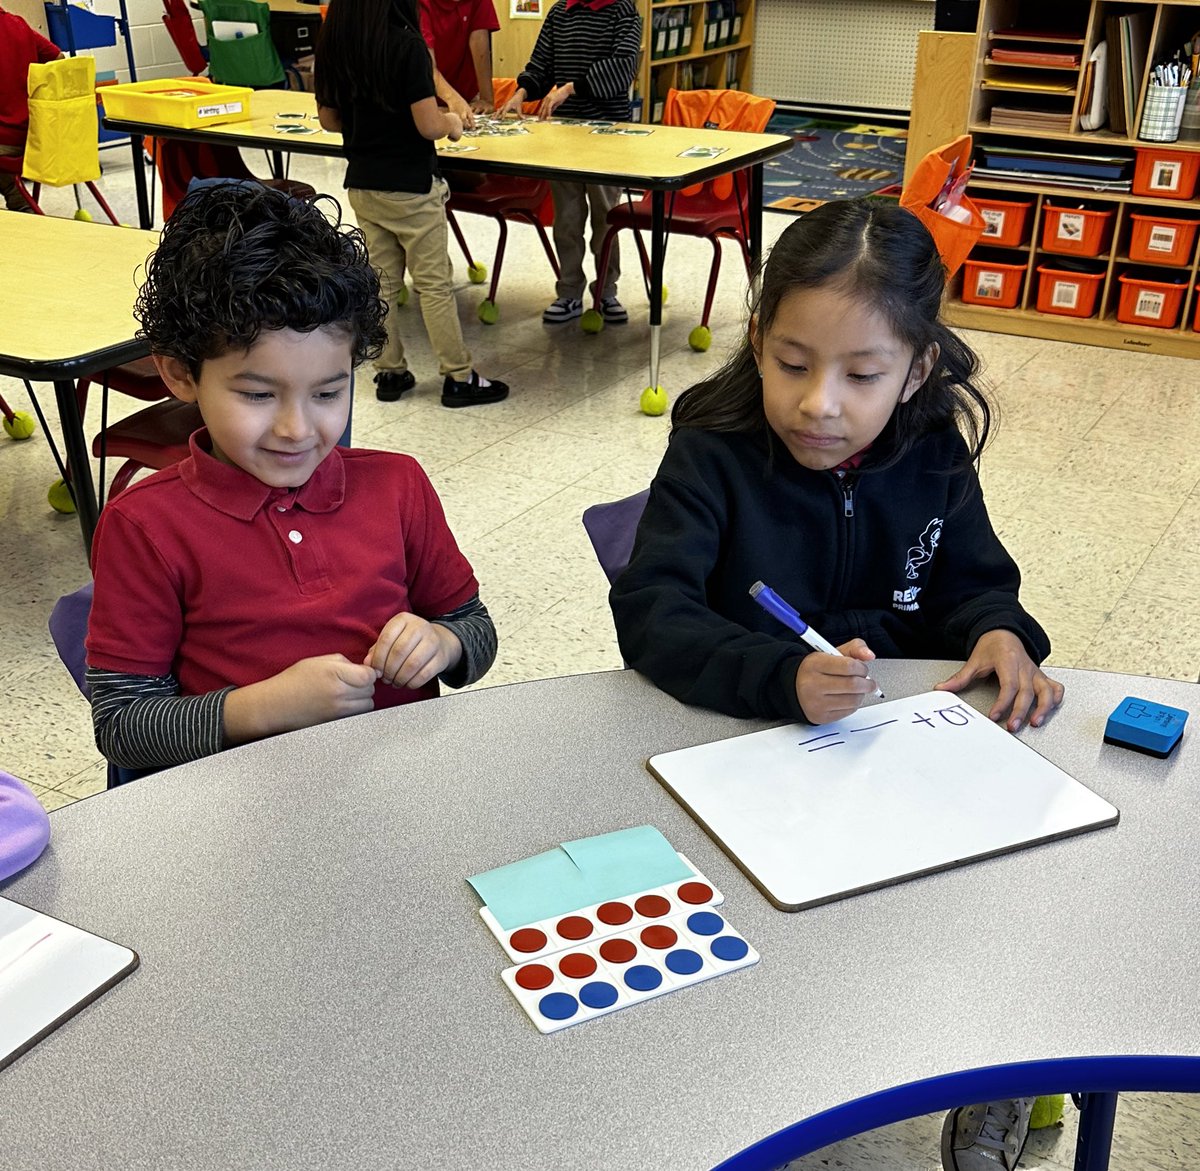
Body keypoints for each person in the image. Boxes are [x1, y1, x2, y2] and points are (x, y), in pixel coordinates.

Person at [609, 199, 1064, 1171]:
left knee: (1015, 876)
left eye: (861, 375)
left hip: (897, 747)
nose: (821, 403)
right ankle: (740, 1077)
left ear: (917, 369)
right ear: (759, 339)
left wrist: (998, 629)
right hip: (745, 745)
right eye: (791, 363)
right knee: (755, 927)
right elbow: (652, 610)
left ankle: (1007, 1069)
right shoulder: (715, 445)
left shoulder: (933, 449)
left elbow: (977, 576)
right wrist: (781, 676)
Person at [85, 183, 499, 775]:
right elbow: (124, 726)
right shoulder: (143, 525)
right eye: (257, 394)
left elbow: (472, 625)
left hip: (401, 782)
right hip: (244, 806)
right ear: (180, 373)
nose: (295, 427)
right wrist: (262, 708)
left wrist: (443, 644)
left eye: (329, 392)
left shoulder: (398, 485)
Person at [314, 0, 509, 407]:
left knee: (382, 284)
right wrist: (452, 123)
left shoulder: (335, 44)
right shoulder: (406, 45)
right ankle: (458, 377)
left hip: (364, 183)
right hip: (412, 187)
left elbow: (330, 121)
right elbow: (427, 125)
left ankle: (391, 372)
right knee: (434, 285)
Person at [498, 0, 641, 326]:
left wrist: (571, 88)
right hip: (564, 136)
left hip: (608, 133)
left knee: (607, 218)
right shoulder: (560, 11)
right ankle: (569, 291)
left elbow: (621, 68)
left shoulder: (623, 11)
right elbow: (541, 64)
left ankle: (606, 290)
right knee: (567, 219)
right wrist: (522, 92)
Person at [0, 5, 62, 212]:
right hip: (34, 135)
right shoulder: (17, 24)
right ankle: (21, 203)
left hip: (5, 142)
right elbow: (58, 59)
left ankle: (21, 204)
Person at [420, 0, 499, 123]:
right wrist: (453, 100)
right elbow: (425, 66)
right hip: (423, 98)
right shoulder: (420, 4)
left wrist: (486, 99)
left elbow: (480, 43)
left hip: (467, 98)